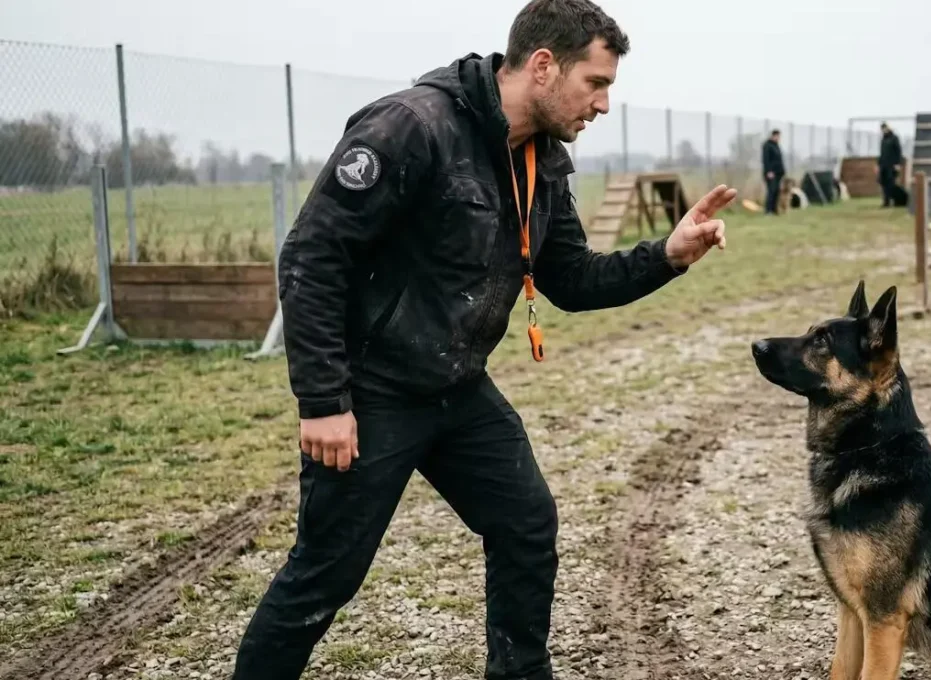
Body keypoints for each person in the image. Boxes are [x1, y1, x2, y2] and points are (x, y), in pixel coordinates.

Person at [229, 1, 737, 678]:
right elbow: (313, 257)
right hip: (375, 390)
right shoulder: (412, 126)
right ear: (545, 66)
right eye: (597, 83)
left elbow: (575, 280)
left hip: (457, 389)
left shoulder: (543, 159)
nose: (604, 104)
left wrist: (667, 255)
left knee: (526, 523)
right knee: (323, 578)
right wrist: (324, 398)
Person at [876, 123, 904, 207]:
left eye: (885, 128)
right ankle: (886, 201)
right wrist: (878, 164)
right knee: (883, 183)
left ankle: (896, 201)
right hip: (883, 165)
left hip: (892, 165)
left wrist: (898, 164)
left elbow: (898, 151)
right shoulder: (883, 139)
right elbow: (882, 153)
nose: (883, 130)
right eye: (882, 129)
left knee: (891, 184)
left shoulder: (894, 138)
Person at [761, 129, 786, 214]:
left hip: (778, 173)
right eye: (778, 136)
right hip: (771, 173)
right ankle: (768, 210)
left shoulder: (776, 145)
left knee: (776, 192)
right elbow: (766, 160)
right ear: (773, 135)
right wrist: (769, 171)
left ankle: (774, 210)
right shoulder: (767, 145)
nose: (779, 138)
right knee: (771, 191)